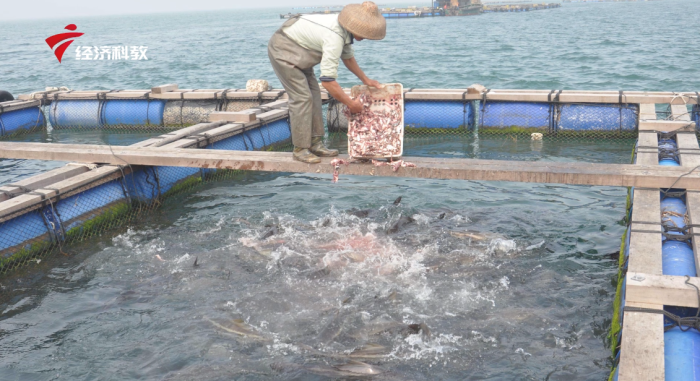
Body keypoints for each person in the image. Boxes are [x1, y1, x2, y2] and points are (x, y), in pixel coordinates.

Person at [268, 2, 386, 163]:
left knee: (315, 96)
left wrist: (366, 80)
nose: (366, 36)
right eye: (365, 32)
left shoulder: (344, 29)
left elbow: (348, 58)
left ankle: (316, 143)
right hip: (283, 51)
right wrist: (351, 104)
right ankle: (300, 149)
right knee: (302, 98)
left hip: (302, 51)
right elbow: (328, 81)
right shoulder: (335, 36)